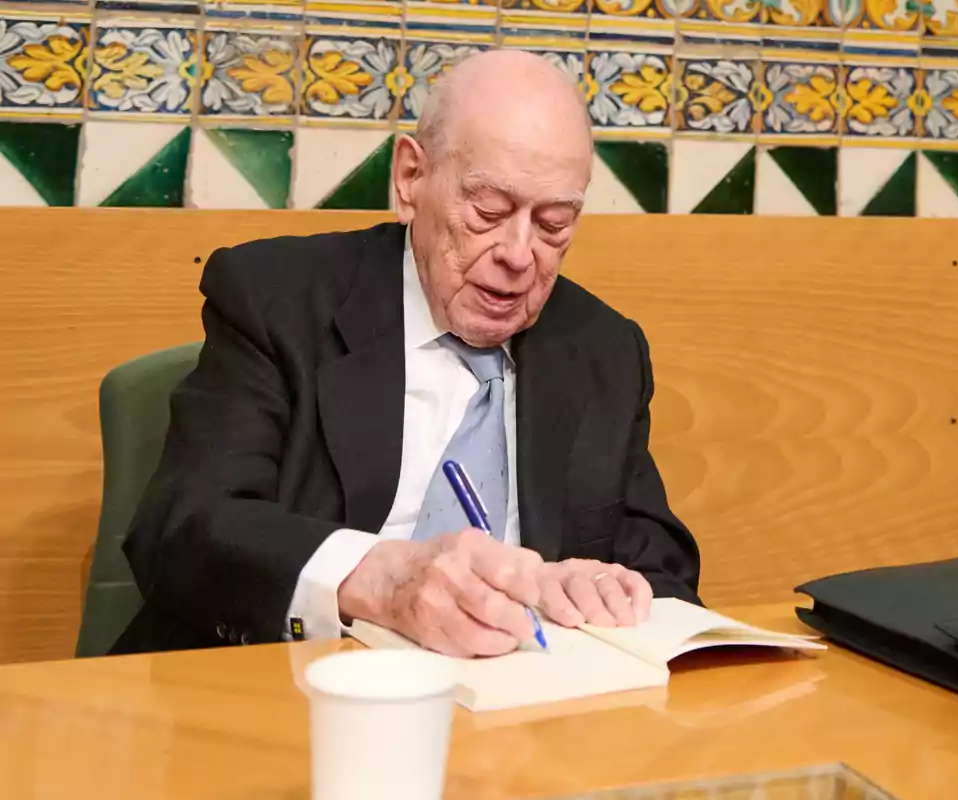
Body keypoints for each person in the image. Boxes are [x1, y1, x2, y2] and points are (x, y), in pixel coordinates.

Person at [112, 50, 701, 658]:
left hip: (517, 713)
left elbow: (661, 573)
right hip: (282, 690)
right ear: (410, 179)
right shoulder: (276, 298)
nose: (520, 254)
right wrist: (382, 580)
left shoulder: (603, 349)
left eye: (553, 223)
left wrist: (610, 591)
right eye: (489, 211)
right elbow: (187, 529)